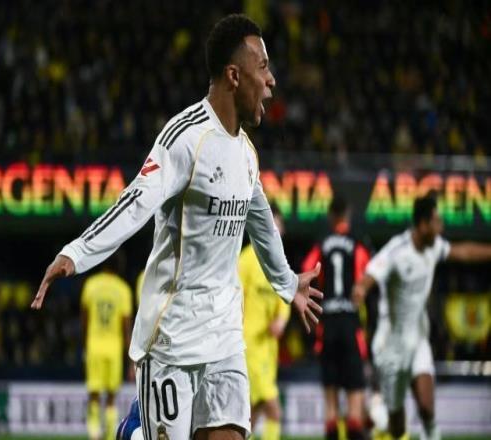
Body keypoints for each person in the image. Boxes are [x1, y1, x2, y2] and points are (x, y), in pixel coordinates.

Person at [32, 14, 323, 440]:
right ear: (234, 75)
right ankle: (135, 430)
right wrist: (76, 252)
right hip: (172, 338)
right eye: (263, 67)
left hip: (225, 338)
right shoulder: (186, 138)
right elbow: (135, 202)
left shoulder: (245, 153)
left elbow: (260, 218)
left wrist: (287, 282)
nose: (272, 80)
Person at [353, 194, 491, 440]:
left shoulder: (434, 247)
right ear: (423, 224)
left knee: (427, 408)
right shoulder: (397, 250)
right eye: (437, 221)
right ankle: (378, 416)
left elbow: (464, 252)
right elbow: (371, 274)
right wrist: (361, 289)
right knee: (397, 426)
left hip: (418, 340)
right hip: (391, 347)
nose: (441, 227)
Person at [301, 196, 370, 440]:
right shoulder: (358, 243)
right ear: (347, 214)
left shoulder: (321, 244)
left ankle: (332, 429)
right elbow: (366, 276)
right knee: (355, 401)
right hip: (350, 323)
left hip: (327, 324)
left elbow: (307, 269)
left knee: (331, 406)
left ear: (331, 216)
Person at [239, 204, 290, 440]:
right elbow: (236, 298)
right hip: (249, 345)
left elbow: (285, 300)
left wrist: (280, 321)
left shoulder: (279, 263)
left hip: (269, 348)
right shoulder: (247, 260)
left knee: (254, 410)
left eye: (279, 227)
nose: (277, 231)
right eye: (273, 226)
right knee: (273, 410)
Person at [81, 253, 133, 440]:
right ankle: (110, 436)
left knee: (94, 394)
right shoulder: (123, 289)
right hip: (114, 349)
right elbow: (126, 327)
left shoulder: (91, 285)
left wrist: (85, 344)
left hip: (94, 345)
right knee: (111, 397)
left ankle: (94, 434)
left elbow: (84, 319)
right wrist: (130, 359)